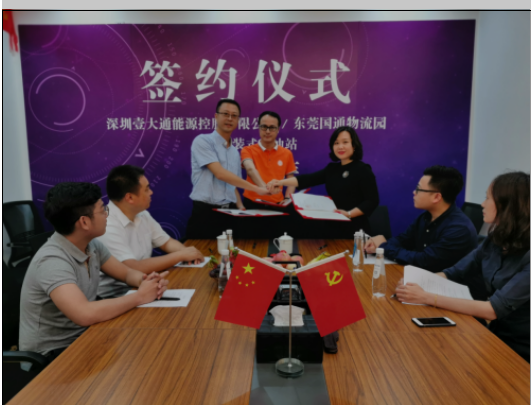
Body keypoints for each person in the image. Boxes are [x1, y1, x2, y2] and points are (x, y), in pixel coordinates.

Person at [19, 182, 168, 360]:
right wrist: (140, 296)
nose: (106, 215)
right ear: (84, 222)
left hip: (87, 336)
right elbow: (84, 314)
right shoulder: (52, 261)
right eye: (102, 210)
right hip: (53, 355)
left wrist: (146, 281)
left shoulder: (92, 245)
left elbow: (127, 273)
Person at [395, 172, 530, 362]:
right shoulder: (494, 240)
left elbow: (492, 309)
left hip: (523, 346)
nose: (482, 204)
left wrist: (426, 297)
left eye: (487, 198)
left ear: (506, 205)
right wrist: (415, 282)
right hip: (496, 333)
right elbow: (454, 272)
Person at [97, 165, 204, 299]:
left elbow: (166, 242)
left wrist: (188, 254)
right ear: (130, 197)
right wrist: (180, 255)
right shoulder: (106, 225)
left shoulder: (142, 214)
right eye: (147, 189)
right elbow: (132, 267)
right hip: (115, 296)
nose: (151, 192)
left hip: (143, 285)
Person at [267, 126, 379, 238]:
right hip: (333, 228)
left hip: (356, 230)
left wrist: (349, 214)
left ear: (354, 145)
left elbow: (372, 200)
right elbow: (307, 179)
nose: (340, 146)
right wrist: (280, 182)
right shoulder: (332, 169)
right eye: (336, 143)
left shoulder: (363, 169)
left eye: (345, 142)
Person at [365, 166, 477, 272]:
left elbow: (424, 261)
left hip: (445, 283)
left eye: (418, 189)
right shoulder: (425, 216)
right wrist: (378, 245)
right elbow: (403, 240)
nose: (414, 192)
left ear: (436, 197)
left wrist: (384, 247)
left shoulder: (459, 229)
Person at [186, 99, 269, 239]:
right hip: (205, 213)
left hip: (229, 213)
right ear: (216, 116)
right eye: (226, 114)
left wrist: (241, 207)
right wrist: (257, 189)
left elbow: (232, 185)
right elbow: (220, 174)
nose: (230, 118)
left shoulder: (234, 152)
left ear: (238, 120)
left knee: (229, 252)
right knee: (201, 251)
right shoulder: (203, 141)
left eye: (234, 116)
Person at [240, 111, 297, 208]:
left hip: (277, 204)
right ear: (259, 128)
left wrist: (287, 198)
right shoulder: (247, 150)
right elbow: (250, 169)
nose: (267, 131)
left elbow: (291, 180)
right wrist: (265, 189)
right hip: (252, 203)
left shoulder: (287, 153)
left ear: (278, 129)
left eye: (272, 127)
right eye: (264, 127)